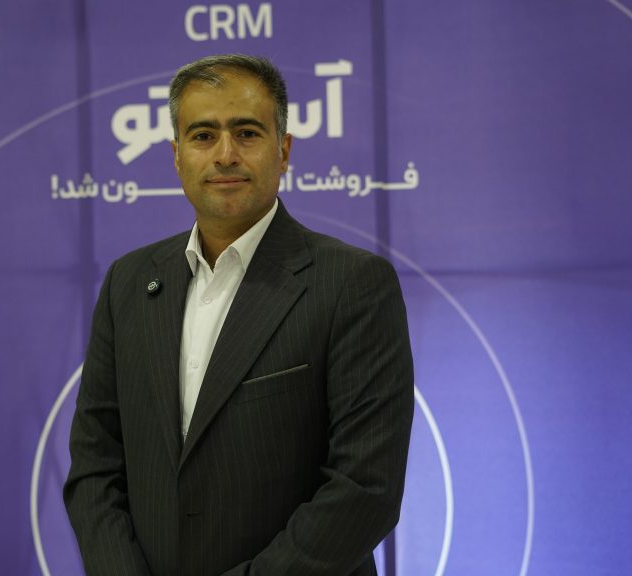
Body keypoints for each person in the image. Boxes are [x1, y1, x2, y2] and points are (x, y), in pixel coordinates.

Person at [64, 54, 414, 576]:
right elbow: (95, 467)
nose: (225, 154)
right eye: (203, 135)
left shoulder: (353, 284)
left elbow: (366, 488)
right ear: (176, 155)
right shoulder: (128, 283)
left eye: (247, 133)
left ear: (284, 150)